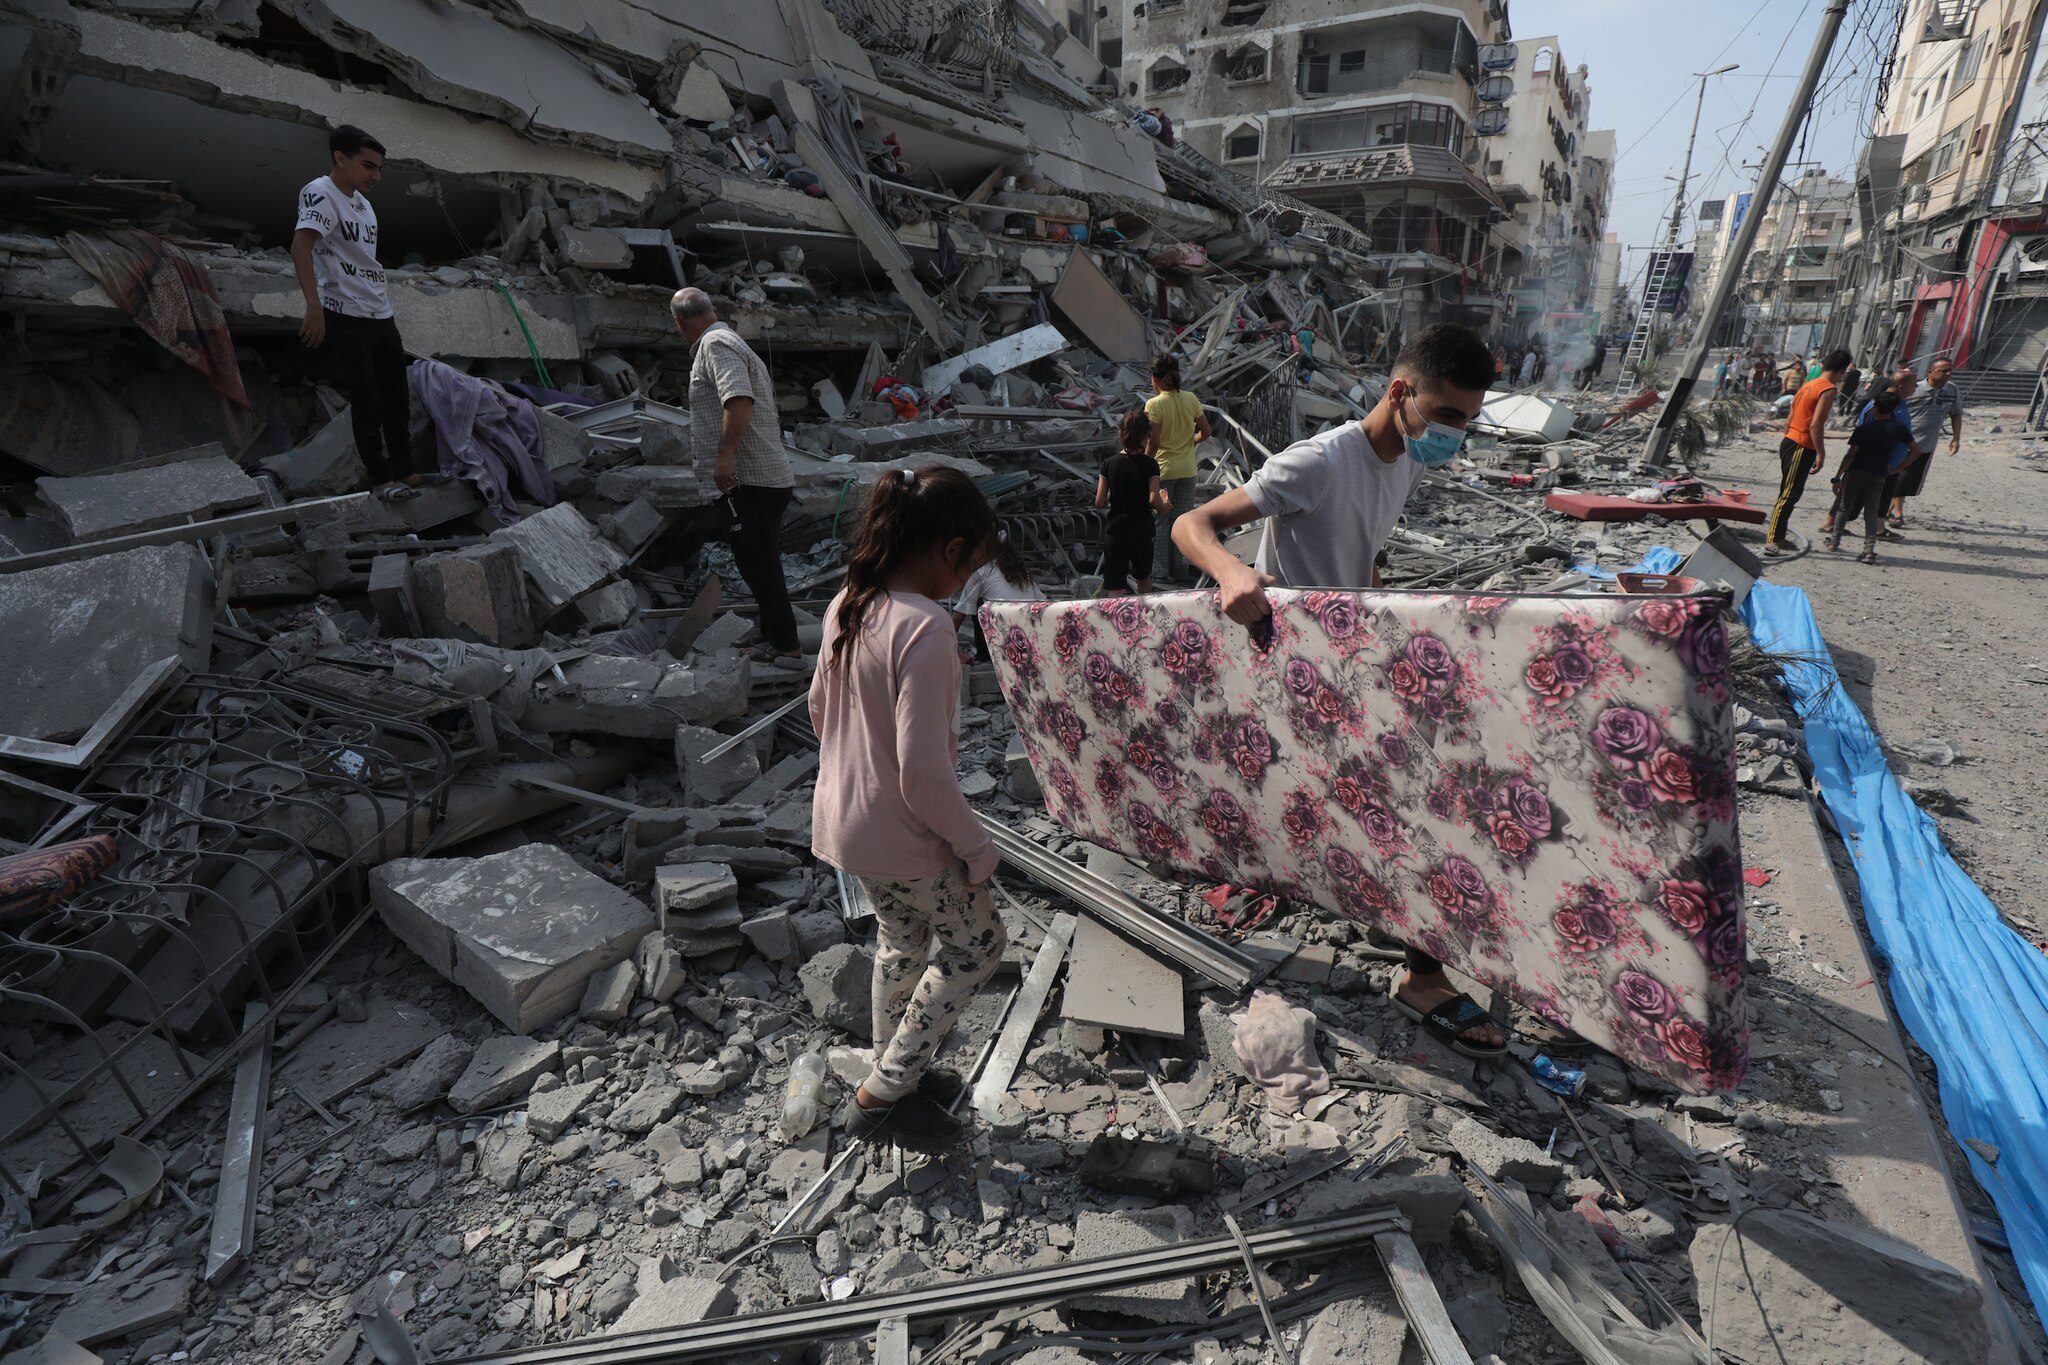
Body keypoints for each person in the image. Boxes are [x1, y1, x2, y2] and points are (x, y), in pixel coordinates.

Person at [1173, 323, 1509, 1058]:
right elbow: (1192, 523)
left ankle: (1387, 915)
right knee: (1407, 805)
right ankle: (1423, 976)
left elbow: (1363, 549)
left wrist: (1384, 622)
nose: (1454, 434)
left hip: (1349, 662)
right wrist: (1232, 574)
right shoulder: (1320, 461)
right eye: (1446, 415)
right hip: (1293, 668)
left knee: (1398, 798)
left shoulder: (1406, 462)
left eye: (1467, 420)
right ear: (1400, 392)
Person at [809, 467, 1007, 1153]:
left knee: (901, 941)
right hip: (904, 835)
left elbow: (818, 712)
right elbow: (923, 773)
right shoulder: (926, 629)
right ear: (951, 550)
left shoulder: (849, 602)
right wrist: (977, 847)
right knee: (978, 947)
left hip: (846, 826)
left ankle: (898, 1070)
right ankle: (882, 1096)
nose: (967, 579)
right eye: (970, 565)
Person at [671, 287, 801, 665]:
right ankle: (771, 632)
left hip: (750, 480)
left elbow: (738, 400)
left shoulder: (715, 345)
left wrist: (724, 458)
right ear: (712, 310)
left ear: (679, 323)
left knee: (759, 564)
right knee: (754, 561)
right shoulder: (729, 341)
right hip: (762, 478)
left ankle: (787, 646)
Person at [293, 125, 416, 494]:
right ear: (340, 158)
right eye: (368, 166)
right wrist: (313, 305)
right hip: (346, 313)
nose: (375, 176)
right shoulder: (320, 192)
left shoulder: (364, 204)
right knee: (367, 401)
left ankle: (406, 470)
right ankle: (382, 481)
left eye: (379, 168)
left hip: (380, 312)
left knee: (397, 397)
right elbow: (301, 247)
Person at [1763, 348, 1848, 557]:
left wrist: (1789, 435)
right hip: (1802, 445)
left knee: (1789, 491)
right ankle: (1773, 539)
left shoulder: (1809, 384)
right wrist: (1821, 453)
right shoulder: (1828, 389)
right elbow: (1816, 424)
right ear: (1841, 370)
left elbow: (1791, 414)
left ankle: (1778, 535)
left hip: (1791, 440)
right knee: (1789, 493)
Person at [1144, 354, 1212, 584]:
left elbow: (1153, 441)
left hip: (1163, 473)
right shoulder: (1190, 399)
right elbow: (1206, 431)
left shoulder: (1154, 404)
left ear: (1155, 378)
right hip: (1188, 471)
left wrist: (1144, 466)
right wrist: (1190, 442)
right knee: (1182, 521)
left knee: (1162, 520)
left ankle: (1161, 572)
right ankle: (1181, 570)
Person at [1827, 391, 1913, 564]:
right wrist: (1896, 469)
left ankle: (1834, 542)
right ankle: (1868, 550)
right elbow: (1916, 451)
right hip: (1879, 474)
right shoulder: (1899, 429)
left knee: (1844, 508)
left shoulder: (1863, 429)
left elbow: (1850, 455)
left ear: (1875, 408)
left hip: (1856, 472)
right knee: (1871, 512)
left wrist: (1837, 477)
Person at [1098, 408, 1170, 595]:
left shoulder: (1108, 464)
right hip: (1142, 528)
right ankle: (1145, 612)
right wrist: (1165, 505)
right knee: (1143, 576)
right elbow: (1154, 499)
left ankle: (1115, 614)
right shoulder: (1150, 464)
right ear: (1146, 436)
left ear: (1121, 433)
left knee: (1115, 583)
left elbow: (1099, 502)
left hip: (1116, 528)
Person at [1891, 357, 1963, 526]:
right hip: (1905, 442)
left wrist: (1956, 438)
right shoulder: (1914, 389)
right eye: (1943, 371)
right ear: (1930, 372)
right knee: (1900, 476)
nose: (1947, 374)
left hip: (1927, 444)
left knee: (1910, 480)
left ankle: (1890, 509)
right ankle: (1898, 513)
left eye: (1950, 370)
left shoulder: (1952, 390)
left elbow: (1956, 414)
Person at [950, 531, 1041, 661]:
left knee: (978, 605)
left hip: (1003, 645)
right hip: (1030, 640)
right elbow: (1042, 602)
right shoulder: (1023, 573)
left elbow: (957, 619)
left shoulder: (981, 573)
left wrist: (951, 655)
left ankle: (984, 656)